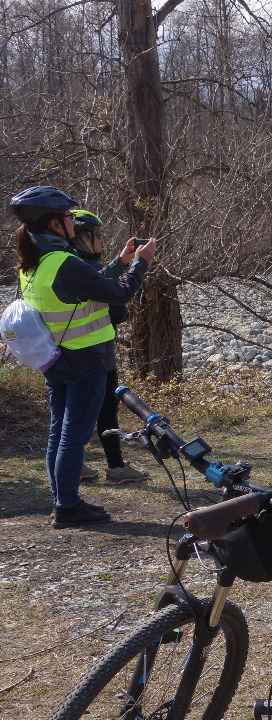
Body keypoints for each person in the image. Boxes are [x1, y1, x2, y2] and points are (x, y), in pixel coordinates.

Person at [10, 186, 155, 528]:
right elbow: (120, 293)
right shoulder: (65, 262)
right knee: (73, 435)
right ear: (55, 224)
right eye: (68, 217)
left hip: (57, 359)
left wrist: (119, 263)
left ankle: (62, 500)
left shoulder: (36, 263)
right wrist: (140, 264)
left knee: (59, 432)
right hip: (86, 360)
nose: (73, 222)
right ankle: (68, 507)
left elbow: (87, 287)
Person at [67, 209, 150, 485]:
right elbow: (116, 300)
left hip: (74, 351)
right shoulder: (82, 267)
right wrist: (139, 263)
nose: (102, 239)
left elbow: (100, 278)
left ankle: (74, 464)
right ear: (84, 237)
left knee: (75, 410)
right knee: (104, 409)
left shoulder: (71, 264)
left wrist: (120, 261)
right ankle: (115, 467)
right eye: (98, 234)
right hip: (95, 351)